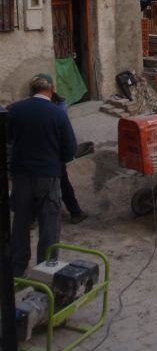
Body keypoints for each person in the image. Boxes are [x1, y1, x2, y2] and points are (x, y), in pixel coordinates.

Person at [8, 73, 77, 276]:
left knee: (20, 221)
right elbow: (70, 149)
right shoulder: (57, 114)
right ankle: (46, 269)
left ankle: (17, 268)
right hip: (48, 176)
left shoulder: (16, 110)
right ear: (51, 89)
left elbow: (9, 140)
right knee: (49, 224)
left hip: (21, 176)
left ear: (31, 90)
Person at [51, 92, 88, 224]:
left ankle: (31, 219)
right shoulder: (58, 114)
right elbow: (68, 142)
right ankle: (75, 212)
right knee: (63, 185)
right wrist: (66, 157)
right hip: (53, 160)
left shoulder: (22, 110)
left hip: (29, 163)